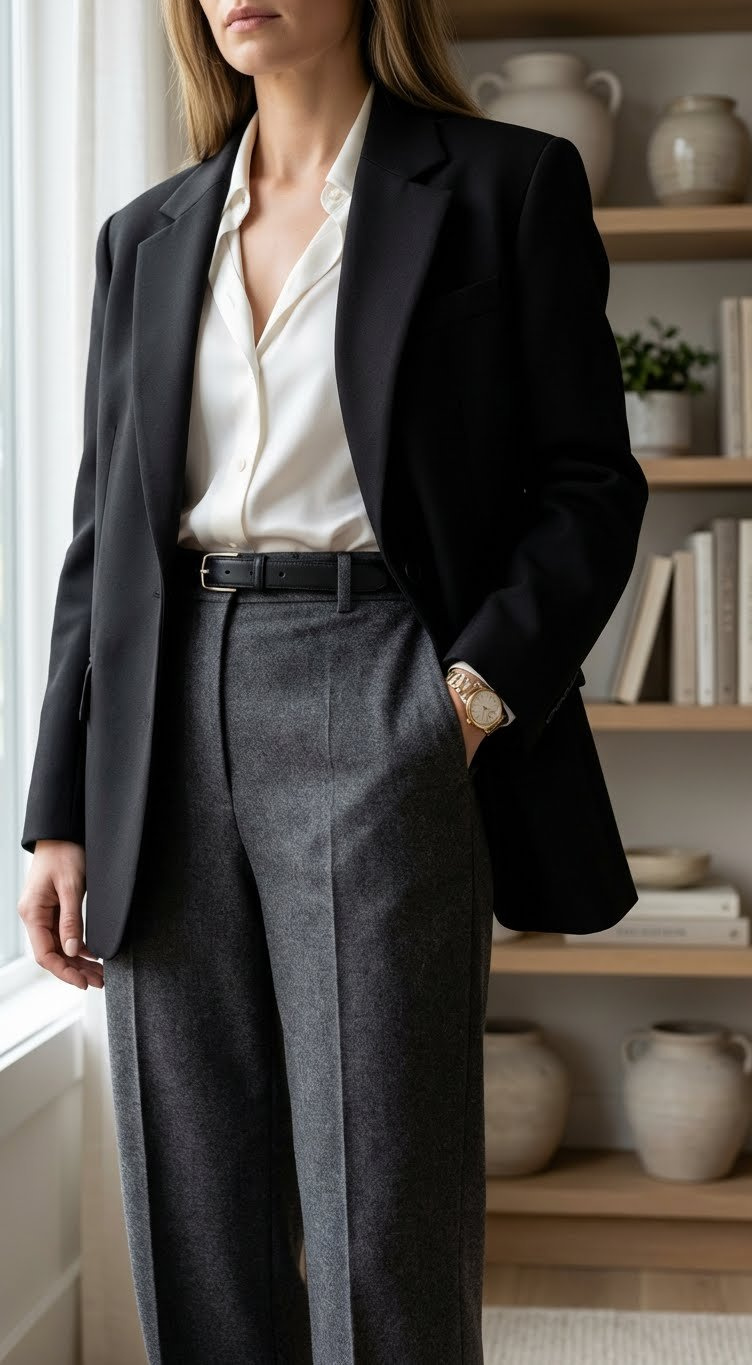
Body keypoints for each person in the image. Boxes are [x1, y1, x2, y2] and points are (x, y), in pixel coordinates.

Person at [17, 0, 649, 1360]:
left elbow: (591, 486)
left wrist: (465, 698)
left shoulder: (502, 185)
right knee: (194, 1208)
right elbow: (100, 540)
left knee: (384, 1200)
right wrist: (58, 807)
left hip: (380, 687)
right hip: (162, 711)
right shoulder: (149, 235)